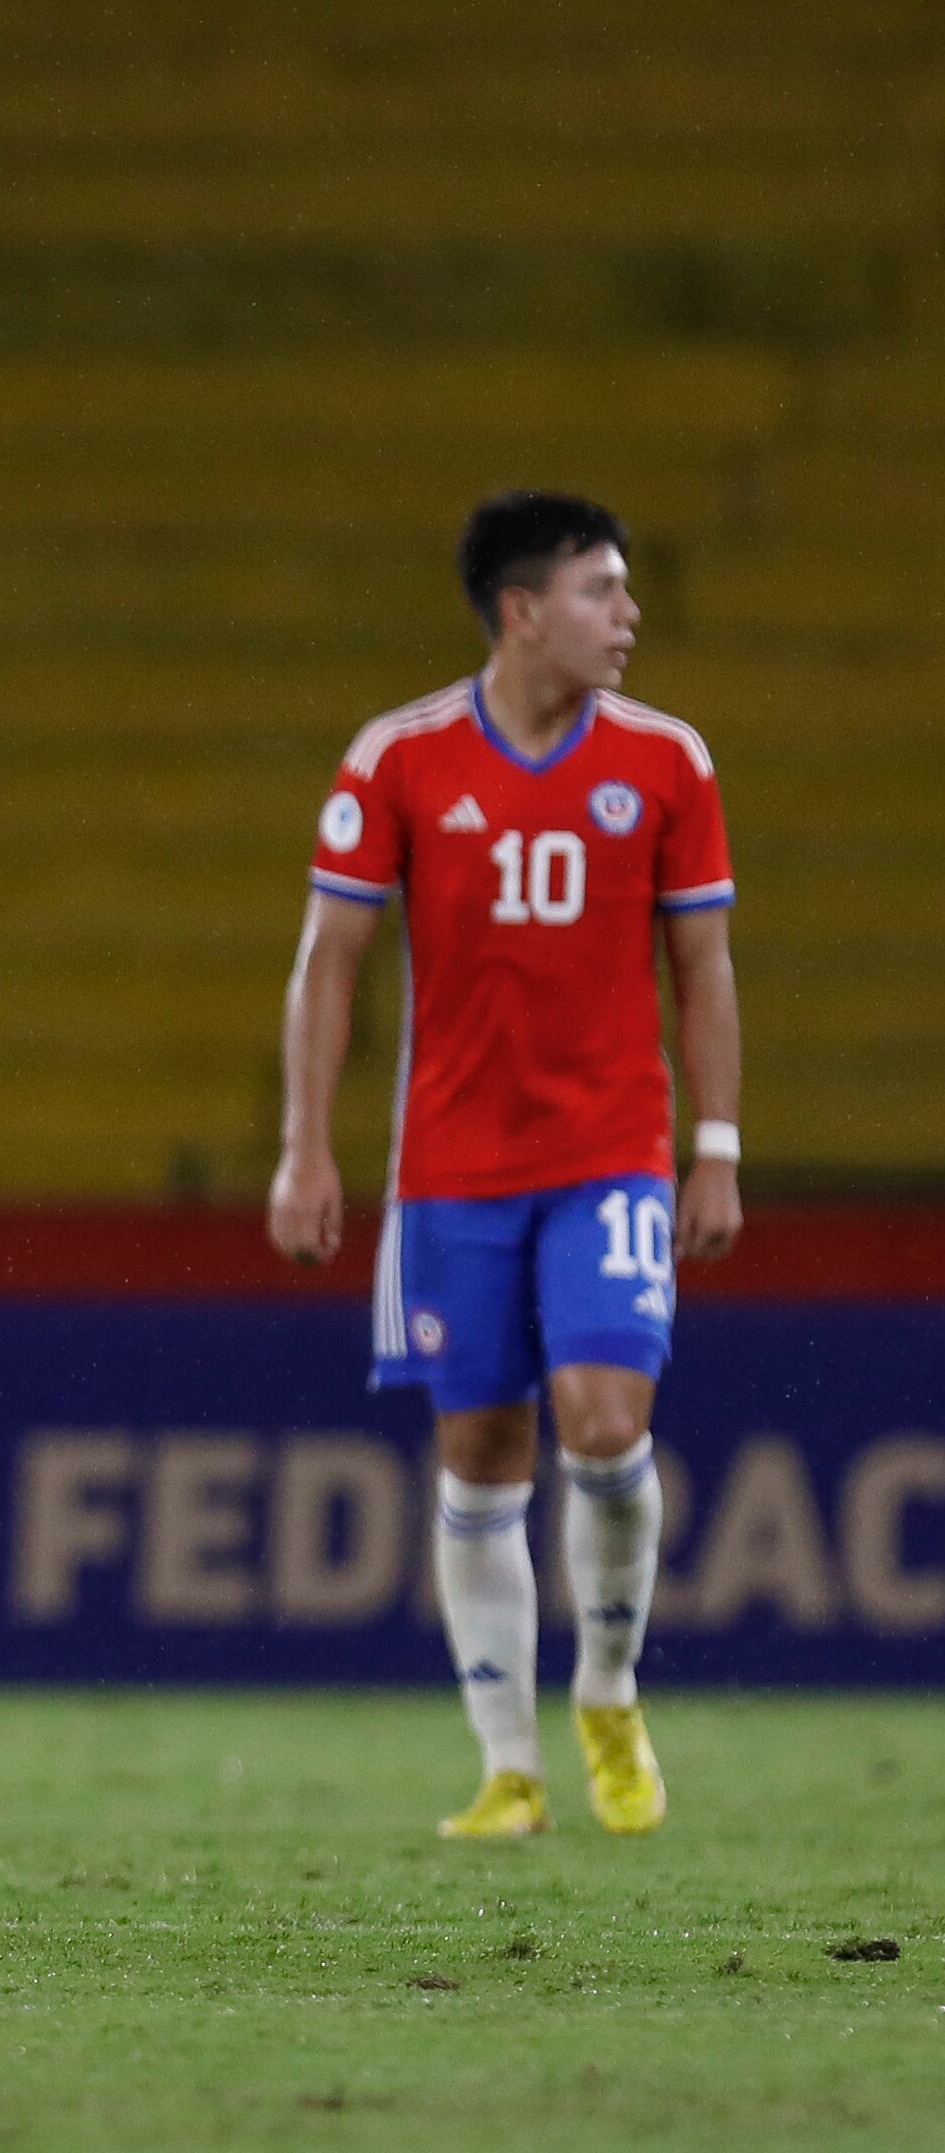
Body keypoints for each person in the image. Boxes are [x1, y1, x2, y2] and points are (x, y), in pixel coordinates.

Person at [269, 490, 741, 1840]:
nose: (627, 614)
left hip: (608, 1157)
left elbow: (700, 964)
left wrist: (712, 1145)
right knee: (477, 1451)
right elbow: (331, 958)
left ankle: (604, 1686)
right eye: (600, 590)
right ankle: (506, 1767)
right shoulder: (399, 759)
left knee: (602, 1420)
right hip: (452, 1173)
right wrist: (306, 1145)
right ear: (521, 610)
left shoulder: (664, 762)